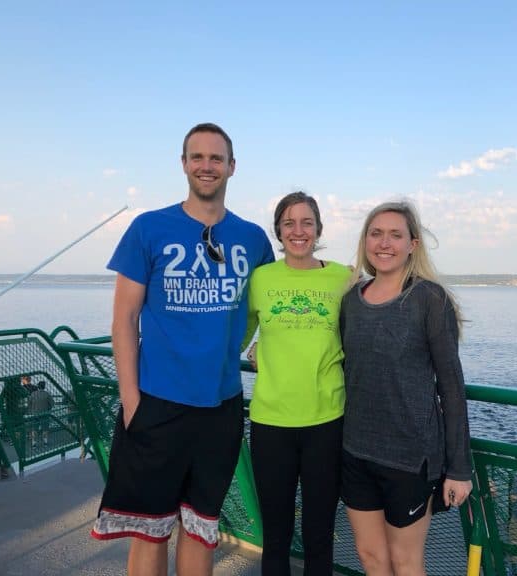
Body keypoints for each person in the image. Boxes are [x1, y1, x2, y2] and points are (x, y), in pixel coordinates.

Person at [91, 122, 274, 576]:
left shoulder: (252, 239)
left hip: (221, 408)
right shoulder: (148, 228)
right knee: (150, 532)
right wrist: (132, 401)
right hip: (156, 405)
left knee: (201, 531)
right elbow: (124, 319)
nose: (206, 166)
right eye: (198, 157)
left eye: (216, 158)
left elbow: (275, 305)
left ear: (232, 167)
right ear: (183, 164)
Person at [339, 201, 473, 576]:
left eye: (395, 235)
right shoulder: (352, 300)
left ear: (412, 244)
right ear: (365, 240)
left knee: (406, 562)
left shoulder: (429, 299)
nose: (385, 243)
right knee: (371, 558)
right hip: (356, 452)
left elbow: (451, 385)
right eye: (376, 233)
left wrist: (459, 468)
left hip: (410, 459)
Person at [244, 191, 351, 575]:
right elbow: (235, 338)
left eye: (306, 222)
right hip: (271, 422)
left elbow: (367, 336)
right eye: (289, 223)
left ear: (319, 229)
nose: (298, 230)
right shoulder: (260, 279)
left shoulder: (344, 278)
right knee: (276, 536)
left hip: (326, 422)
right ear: (278, 231)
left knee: (320, 533)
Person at [27, 381, 54, 448]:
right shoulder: (47, 394)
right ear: (44, 386)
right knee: (45, 429)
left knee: (34, 429)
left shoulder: (33, 394)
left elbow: (29, 404)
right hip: (45, 414)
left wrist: (31, 411)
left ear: (38, 386)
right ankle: (45, 442)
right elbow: (52, 404)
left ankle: (34, 443)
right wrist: (48, 408)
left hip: (35, 414)